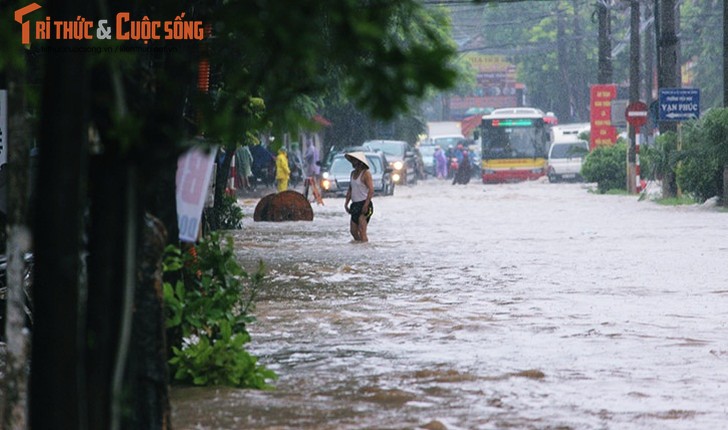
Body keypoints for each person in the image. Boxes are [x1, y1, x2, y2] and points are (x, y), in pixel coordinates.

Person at [344, 152, 374, 243]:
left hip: (365, 204)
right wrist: (346, 203)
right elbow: (350, 189)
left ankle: (365, 248)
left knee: (362, 230)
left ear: (360, 162)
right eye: (352, 161)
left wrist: (366, 204)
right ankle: (360, 245)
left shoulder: (366, 174)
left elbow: (371, 190)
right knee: (353, 231)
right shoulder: (352, 174)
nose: (353, 163)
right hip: (355, 205)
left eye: (355, 161)